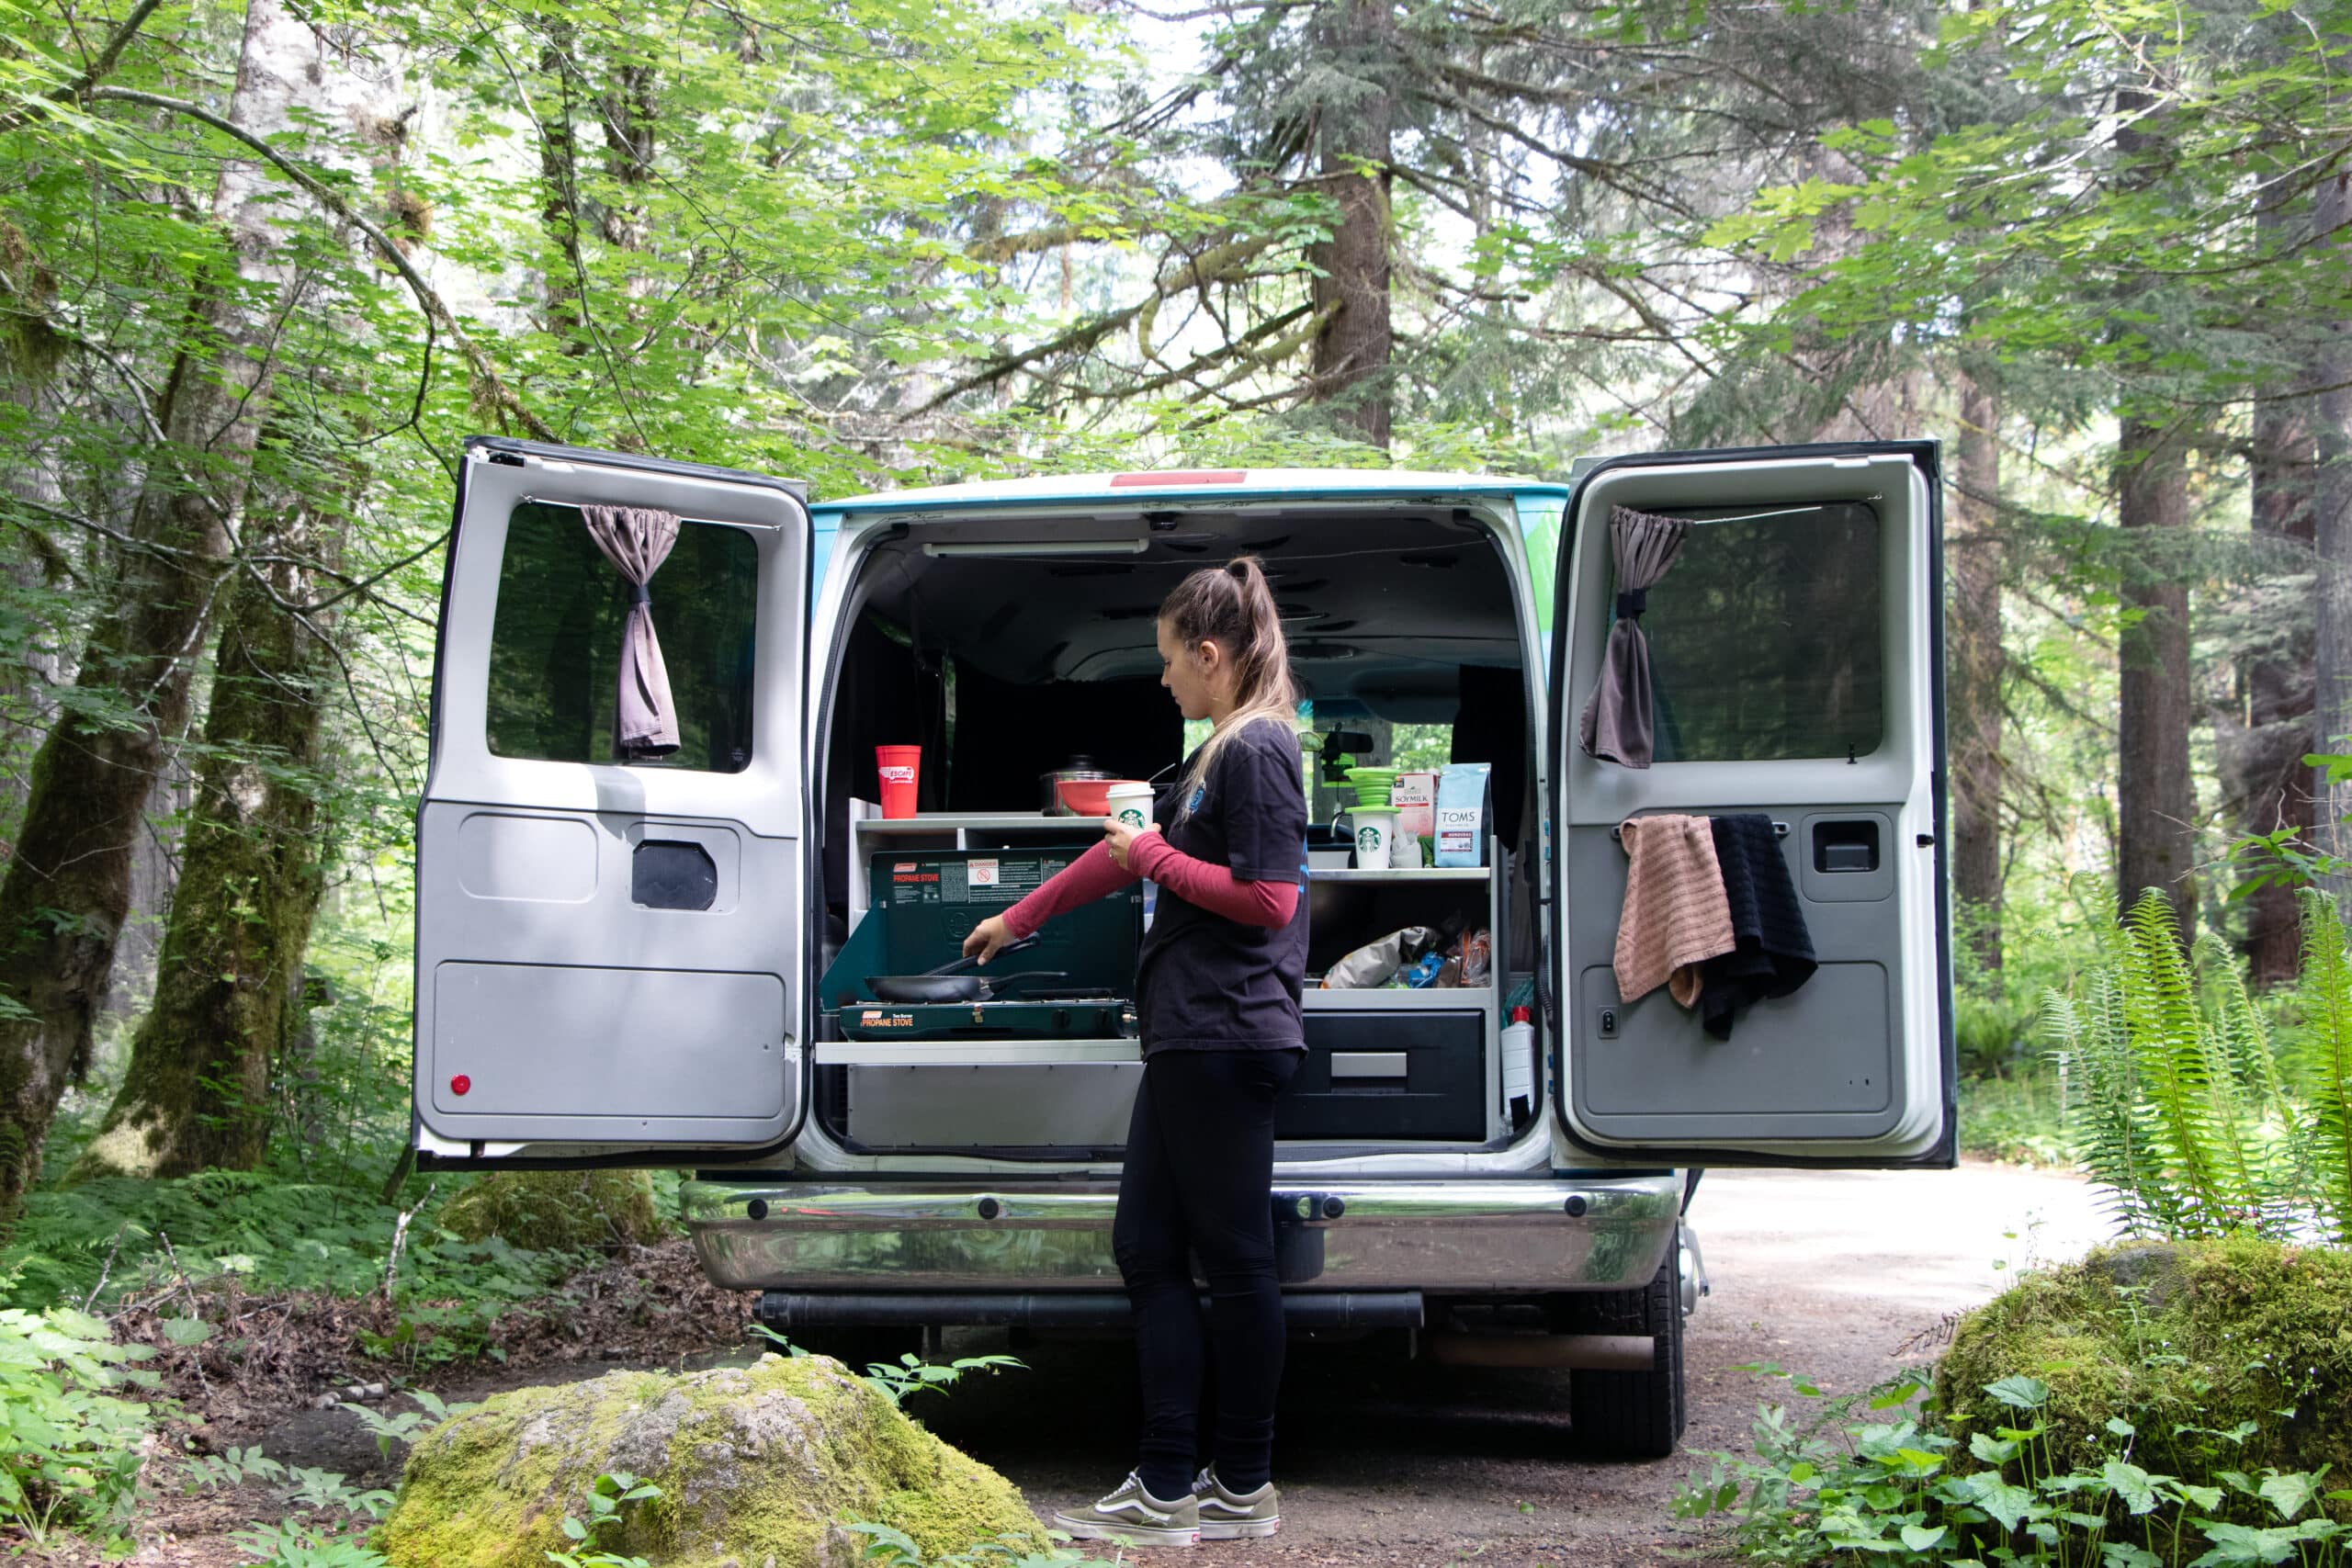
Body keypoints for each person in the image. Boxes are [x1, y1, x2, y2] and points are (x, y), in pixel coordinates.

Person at [962, 554, 1309, 1547]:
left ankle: (1221, 1485)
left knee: (1227, 1262)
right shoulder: (1216, 753)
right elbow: (1122, 850)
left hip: (1225, 1032)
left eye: (1167, 661)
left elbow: (1268, 901)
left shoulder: (1257, 751)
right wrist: (1017, 918)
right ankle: (1185, 1484)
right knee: (1152, 1250)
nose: (1160, 680)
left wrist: (1152, 856)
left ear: (1209, 655)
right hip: (1197, 1035)